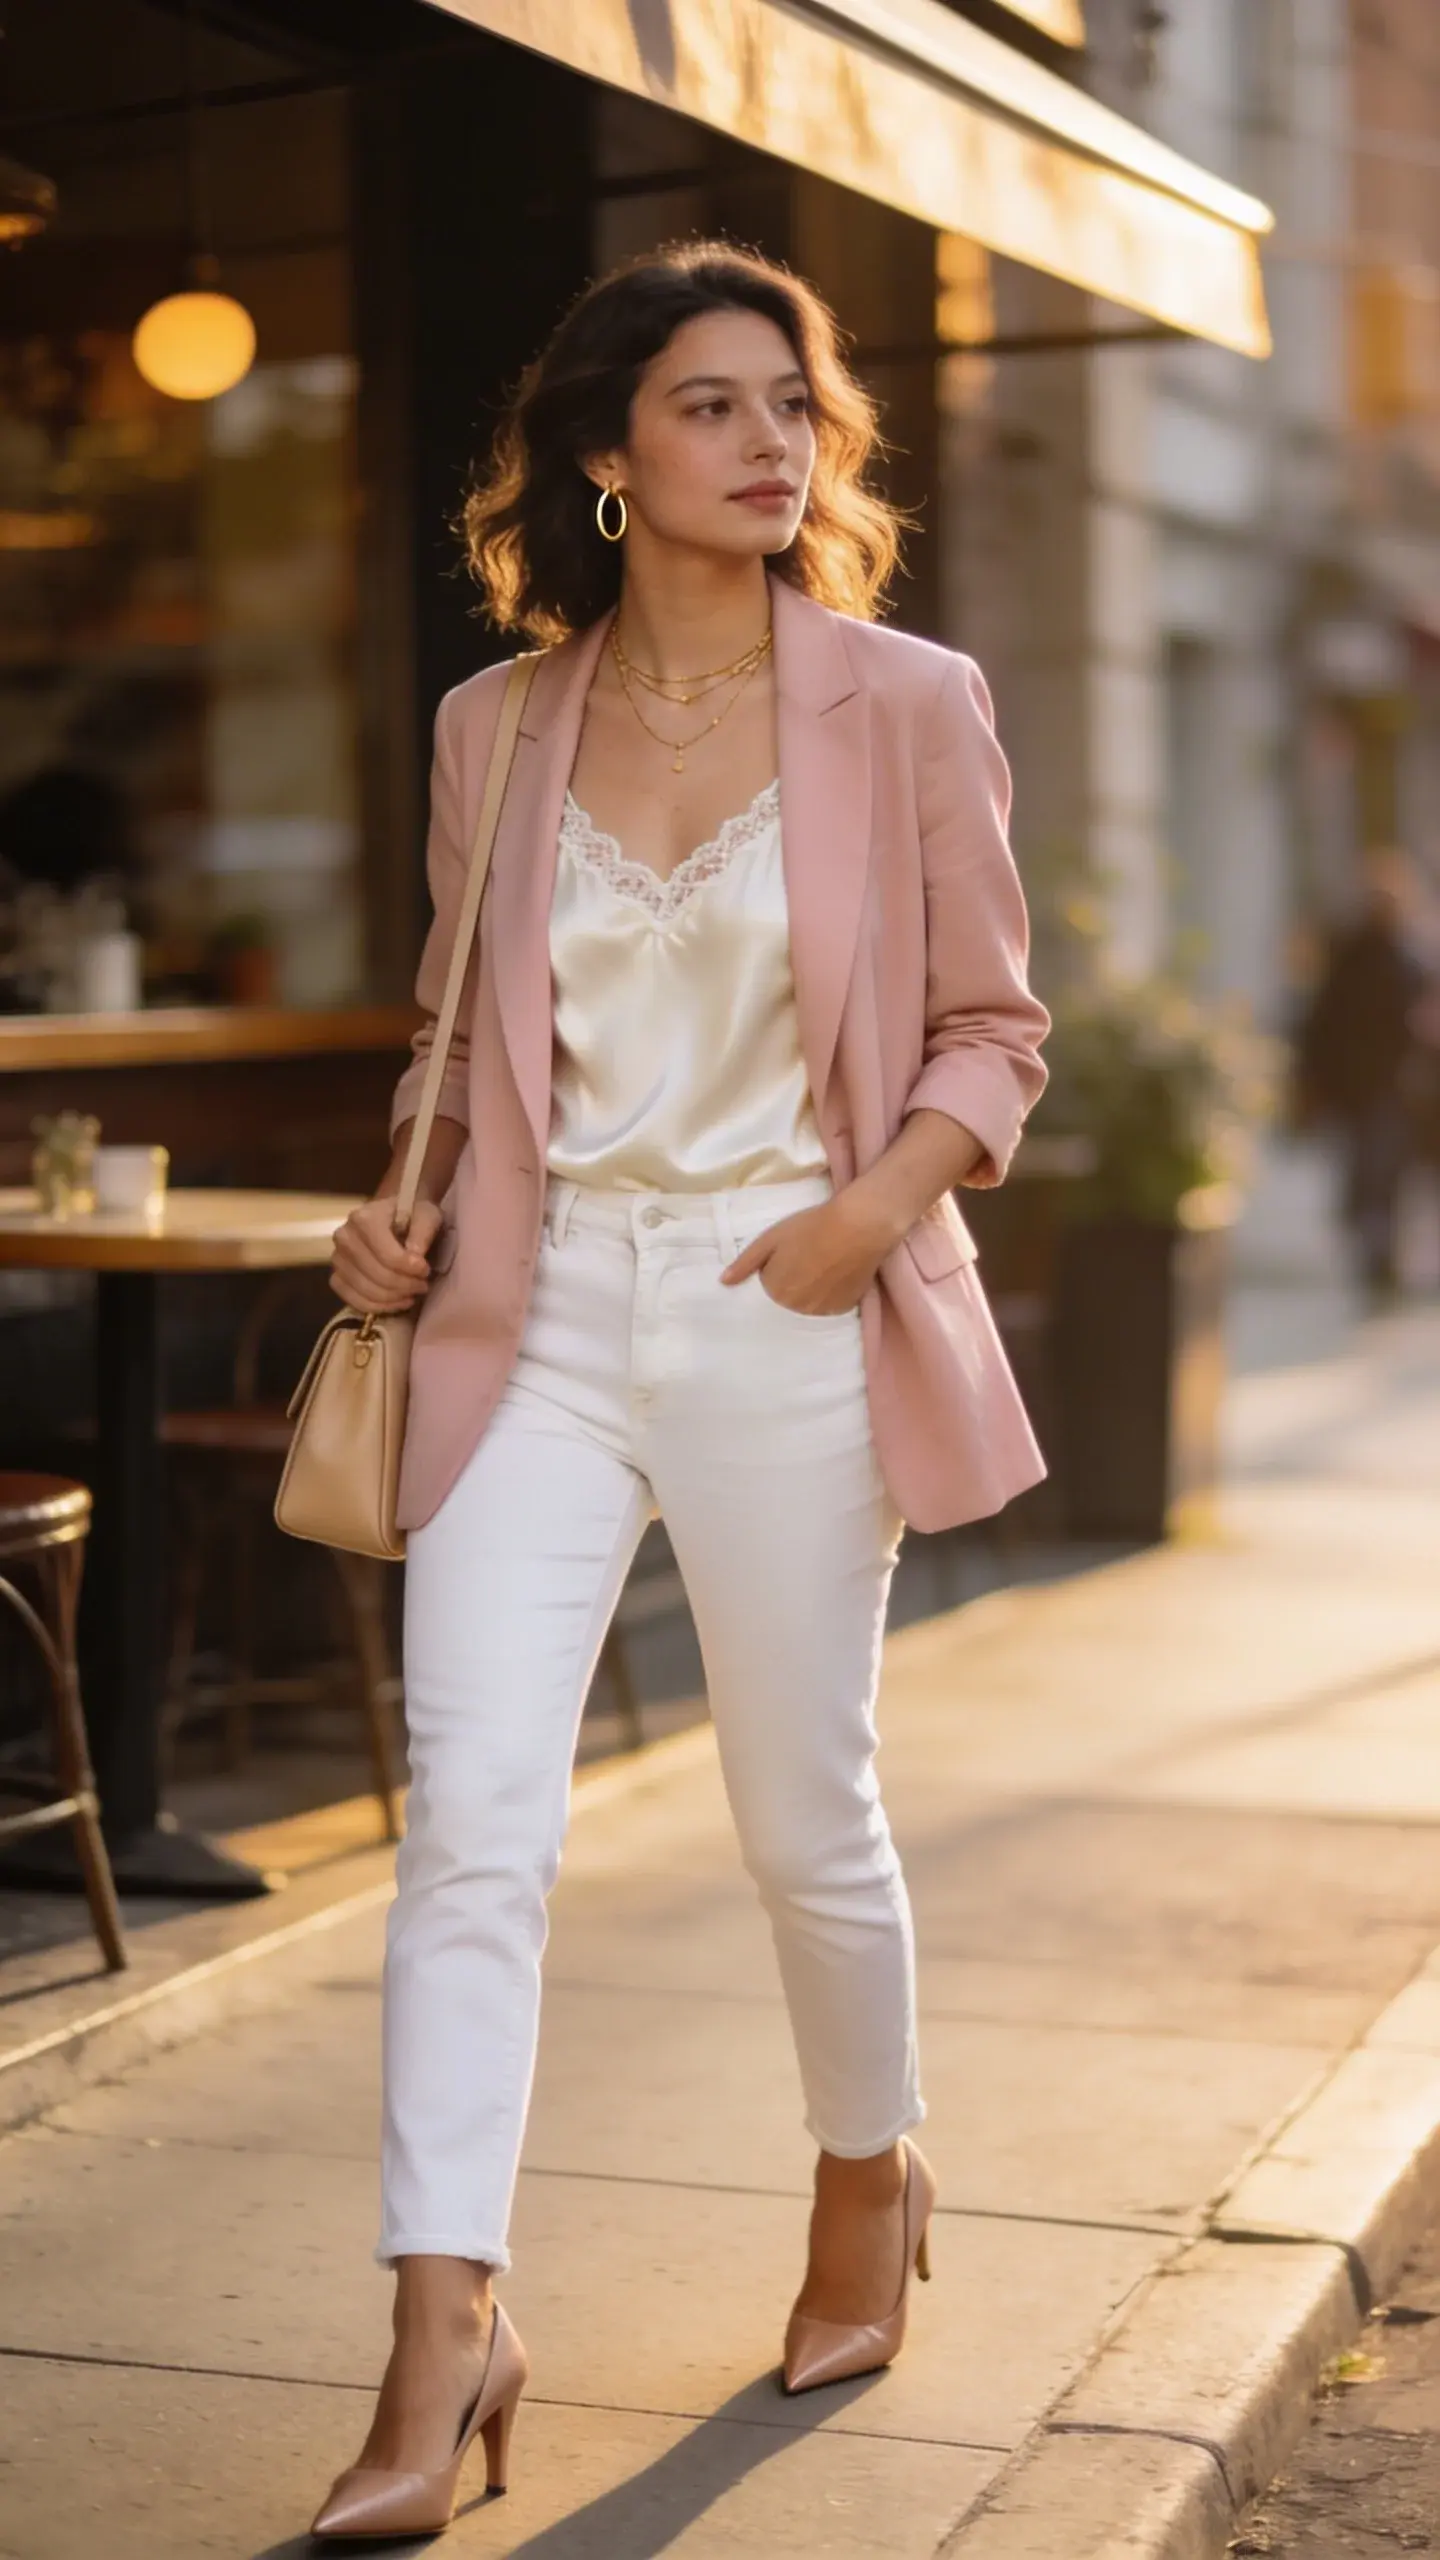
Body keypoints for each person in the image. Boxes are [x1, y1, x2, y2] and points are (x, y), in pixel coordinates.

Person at [310, 241, 1050, 2540]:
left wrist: (862, 1214)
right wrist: (393, 1213)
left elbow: (991, 1029)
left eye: (791, 406)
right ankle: (442, 2324)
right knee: (470, 1824)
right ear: (609, 456)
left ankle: (867, 2164)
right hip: (528, 1321)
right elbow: (469, 1062)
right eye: (710, 404)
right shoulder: (492, 725)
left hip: (784, 1293)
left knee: (791, 1807)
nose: (767, 442)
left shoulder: (903, 697)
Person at [1297, 847, 1429, 1305]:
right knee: (1369, 1173)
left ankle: (1381, 1257)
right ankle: (1375, 1255)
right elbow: (1322, 1023)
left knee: (1385, 1176)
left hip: (1394, 1088)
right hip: (1363, 1087)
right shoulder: (1353, 955)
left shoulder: (1409, 958)